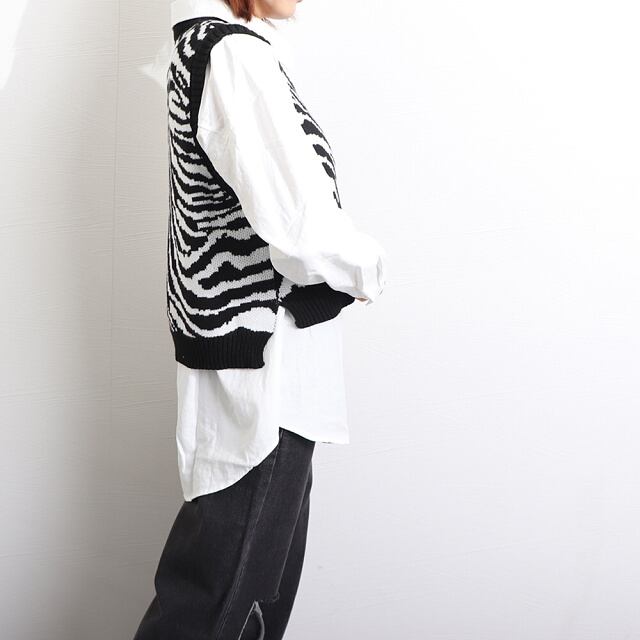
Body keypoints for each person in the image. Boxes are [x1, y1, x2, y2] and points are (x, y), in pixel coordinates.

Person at [133, 0, 388, 638]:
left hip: (263, 373)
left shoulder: (215, 48)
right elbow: (302, 226)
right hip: (266, 384)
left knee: (235, 607)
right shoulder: (233, 55)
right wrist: (366, 269)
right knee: (219, 613)